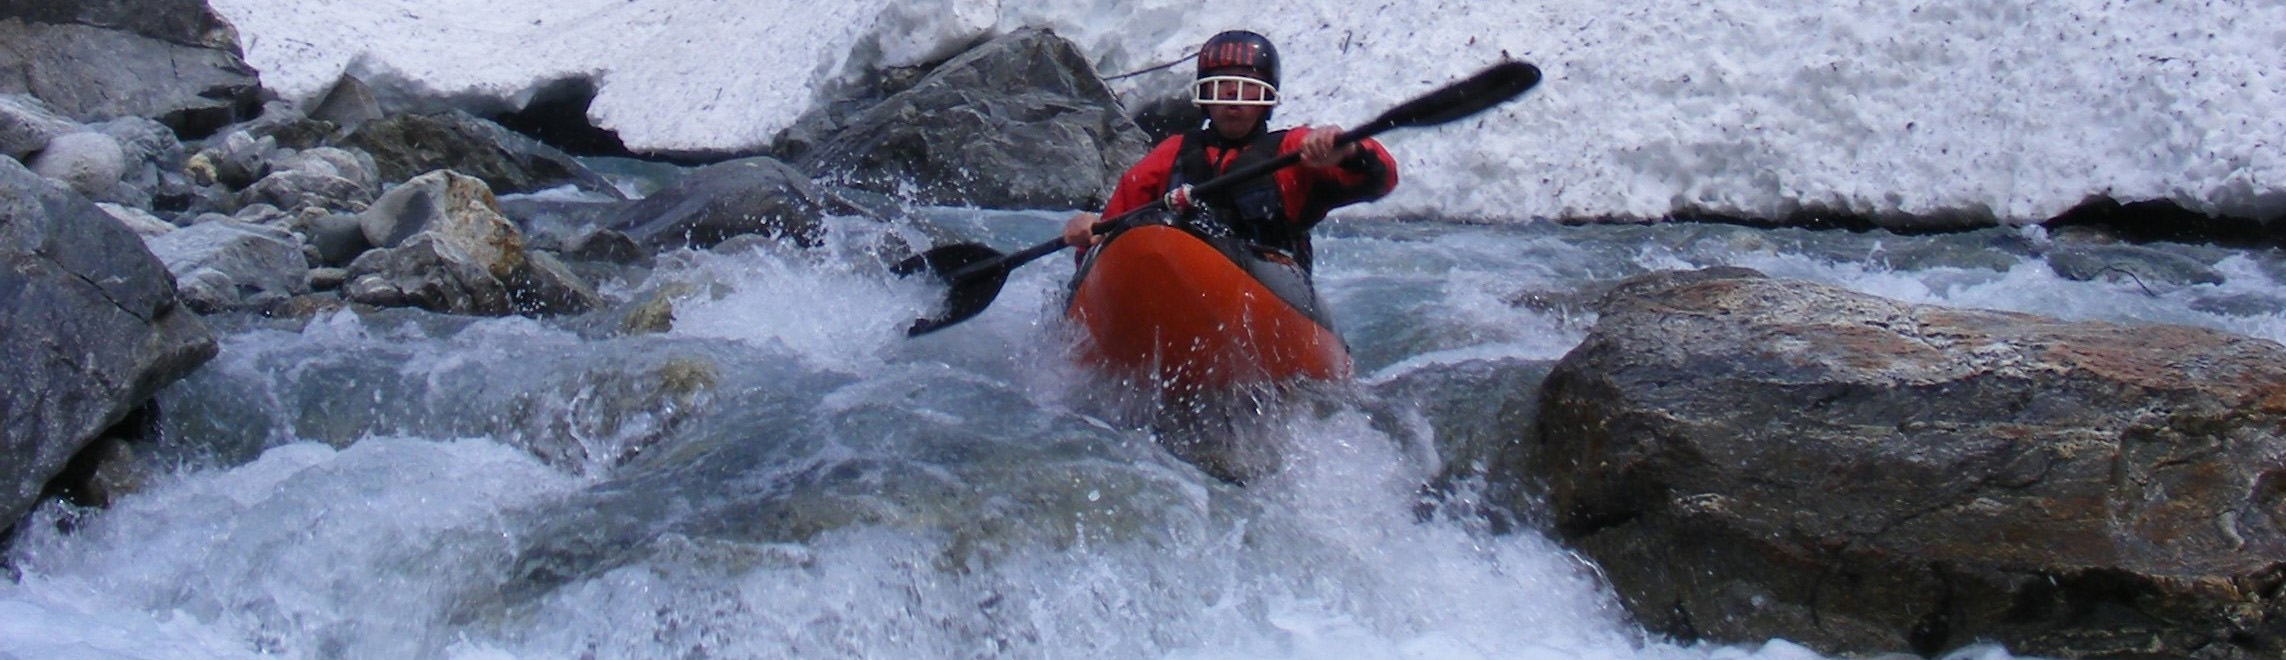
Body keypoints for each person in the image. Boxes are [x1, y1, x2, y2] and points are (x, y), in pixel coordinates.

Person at [1061, 30, 1399, 270]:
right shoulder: (1173, 153)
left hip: (1270, 285)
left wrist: (1350, 151)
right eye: (1222, 86)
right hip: (1182, 276)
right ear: (1205, 95)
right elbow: (1109, 233)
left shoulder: (1294, 149)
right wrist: (1090, 232)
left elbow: (1382, 179)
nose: (1233, 101)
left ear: (1267, 97)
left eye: (1247, 87)